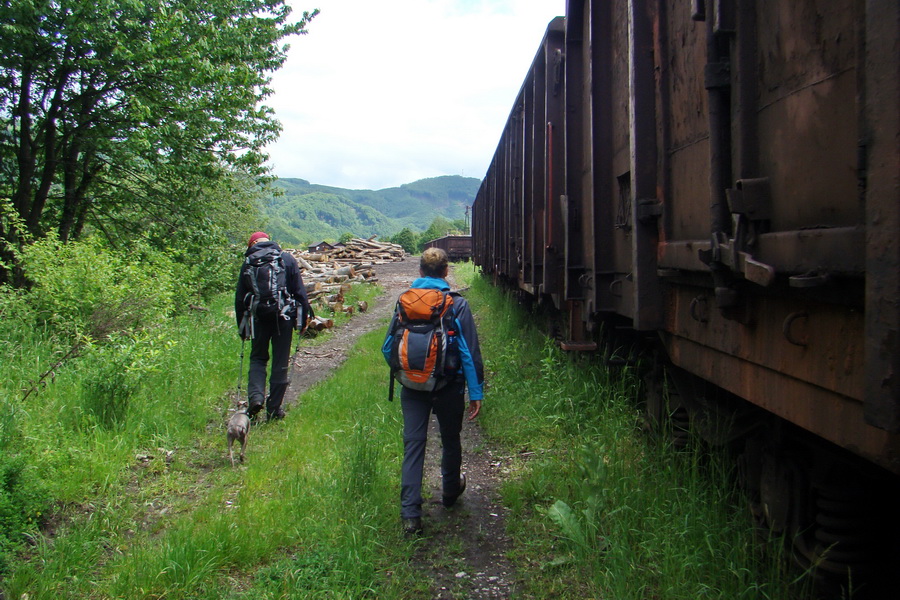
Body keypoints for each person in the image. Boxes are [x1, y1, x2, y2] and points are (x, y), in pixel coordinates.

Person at [382, 247, 484, 535]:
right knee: (450, 439)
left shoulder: (404, 301)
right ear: (446, 272)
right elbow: (469, 352)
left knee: (413, 444)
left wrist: (407, 372)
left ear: (420, 272)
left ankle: (411, 516)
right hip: (449, 385)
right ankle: (450, 493)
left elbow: (388, 348)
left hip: (412, 387)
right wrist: (475, 392)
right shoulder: (456, 303)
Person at [235, 231, 313, 421]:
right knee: (280, 364)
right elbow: (299, 292)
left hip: (259, 319)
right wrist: (304, 319)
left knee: (258, 359)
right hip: (283, 318)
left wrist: (242, 328)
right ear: (269, 240)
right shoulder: (286, 258)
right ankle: (274, 409)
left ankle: (256, 398)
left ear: (252, 244)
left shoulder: (248, 262)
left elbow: (239, 299)